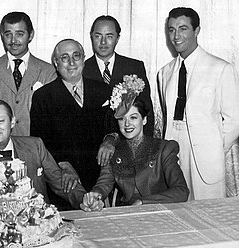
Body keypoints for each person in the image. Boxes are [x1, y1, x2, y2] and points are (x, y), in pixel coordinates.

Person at [156, 7, 239, 200]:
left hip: (206, 157)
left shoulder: (220, 68)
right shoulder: (164, 73)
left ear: (197, 30)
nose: (176, 36)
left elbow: (235, 120)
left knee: (207, 214)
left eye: (183, 28)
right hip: (173, 151)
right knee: (177, 211)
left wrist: (213, 147)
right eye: (171, 29)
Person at [30, 39, 118, 209]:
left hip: (100, 176)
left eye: (76, 56)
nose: (71, 62)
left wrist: (110, 139)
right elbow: (40, 140)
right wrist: (63, 164)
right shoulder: (43, 96)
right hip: (65, 180)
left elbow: (114, 125)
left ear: (84, 59)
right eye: (64, 57)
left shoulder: (104, 90)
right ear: (56, 63)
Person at [81, 90, 189, 211]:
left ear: (144, 120)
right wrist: (95, 196)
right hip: (127, 213)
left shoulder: (165, 148)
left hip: (160, 210)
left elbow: (181, 191)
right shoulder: (113, 152)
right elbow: (103, 184)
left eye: (133, 117)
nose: (127, 124)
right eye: (122, 119)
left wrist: (143, 202)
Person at [83, 15, 155, 166]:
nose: (103, 42)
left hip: (131, 150)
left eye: (109, 36)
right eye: (98, 36)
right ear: (91, 37)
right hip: (93, 155)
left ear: (117, 38)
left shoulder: (134, 67)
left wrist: (143, 150)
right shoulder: (81, 70)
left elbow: (147, 111)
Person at [0, 11, 57, 136]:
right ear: (2, 35)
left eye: (19, 34)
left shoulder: (48, 72)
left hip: (35, 147)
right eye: (8, 34)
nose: (13, 40)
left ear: (30, 35)